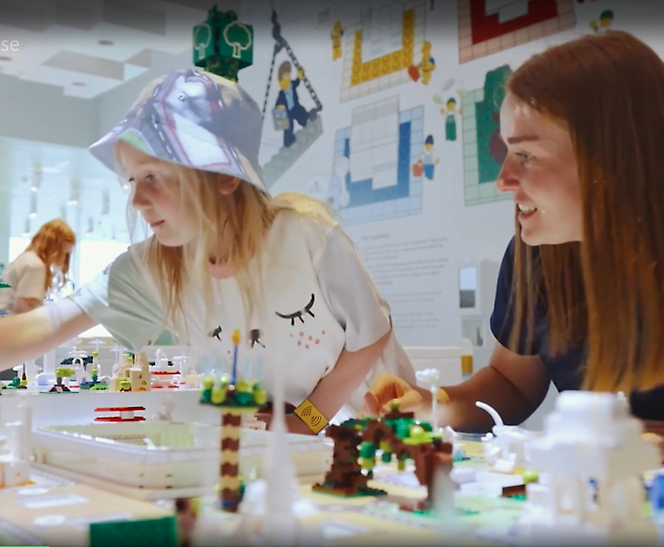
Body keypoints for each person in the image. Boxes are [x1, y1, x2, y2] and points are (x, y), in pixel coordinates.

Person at [0, 68, 415, 435]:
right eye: (131, 181)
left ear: (224, 178)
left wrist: (308, 420)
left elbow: (369, 336)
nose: (138, 200)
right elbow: (48, 324)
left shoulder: (305, 236)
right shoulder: (158, 264)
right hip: (274, 439)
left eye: (154, 177)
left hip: (374, 430)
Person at [364, 30, 664, 432]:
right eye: (506, 152)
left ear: (611, 158)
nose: (503, 180)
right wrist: (431, 406)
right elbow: (512, 384)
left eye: (525, 155)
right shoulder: (536, 254)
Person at [0, 218, 75, 314]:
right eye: (63, 253)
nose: (62, 259)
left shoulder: (25, 259)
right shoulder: (35, 266)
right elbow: (24, 309)